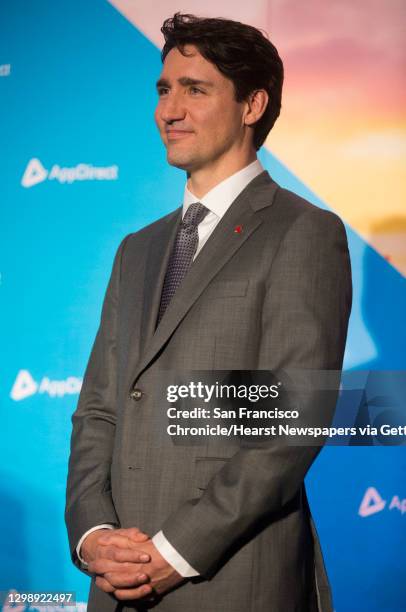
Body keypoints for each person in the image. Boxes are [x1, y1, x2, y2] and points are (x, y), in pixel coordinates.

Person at [65, 12, 352, 612]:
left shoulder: (303, 232)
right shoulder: (137, 248)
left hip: (230, 578)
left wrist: (175, 550)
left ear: (252, 105)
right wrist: (94, 537)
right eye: (164, 90)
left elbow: (291, 420)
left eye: (195, 90)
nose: (169, 110)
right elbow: (99, 407)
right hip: (116, 586)